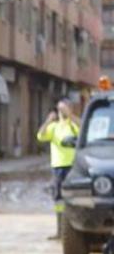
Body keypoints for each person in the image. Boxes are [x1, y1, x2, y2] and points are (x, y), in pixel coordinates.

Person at [38, 98, 79, 239]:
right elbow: (41, 135)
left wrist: (71, 116)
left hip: (74, 167)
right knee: (58, 199)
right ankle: (60, 231)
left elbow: (84, 128)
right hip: (58, 167)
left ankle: (75, 232)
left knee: (75, 198)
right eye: (60, 109)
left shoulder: (74, 124)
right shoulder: (54, 126)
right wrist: (48, 120)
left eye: (64, 109)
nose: (62, 112)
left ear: (71, 109)